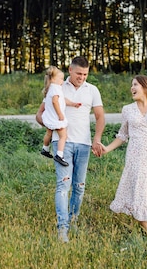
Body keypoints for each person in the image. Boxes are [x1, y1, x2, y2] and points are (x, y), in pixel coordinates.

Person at [36, 56, 105, 243]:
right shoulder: (57, 87)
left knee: (79, 187)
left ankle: (74, 220)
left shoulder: (92, 90)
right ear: (70, 70)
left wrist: (96, 139)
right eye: (79, 74)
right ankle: (63, 228)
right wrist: (51, 125)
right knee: (63, 186)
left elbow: (100, 117)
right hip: (63, 143)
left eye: (85, 74)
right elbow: (39, 114)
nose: (82, 77)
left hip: (83, 144)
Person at [100, 75, 147, 237]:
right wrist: (107, 149)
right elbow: (123, 135)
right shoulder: (128, 109)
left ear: (146, 88)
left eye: (135, 85)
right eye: (131, 85)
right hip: (134, 154)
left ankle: (140, 219)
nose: (132, 88)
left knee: (146, 189)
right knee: (137, 187)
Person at [40, 65, 81, 167]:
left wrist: (72, 103)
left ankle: (45, 149)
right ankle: (59, 155)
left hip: (49, 116)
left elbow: (62, 100)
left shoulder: (50, 88)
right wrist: (60, 114)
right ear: (53, 79)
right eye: (61, 79)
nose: (62, 81)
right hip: (55, 117)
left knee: (49, 133)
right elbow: (55, 102)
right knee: (63, 136)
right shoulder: (56, 88)